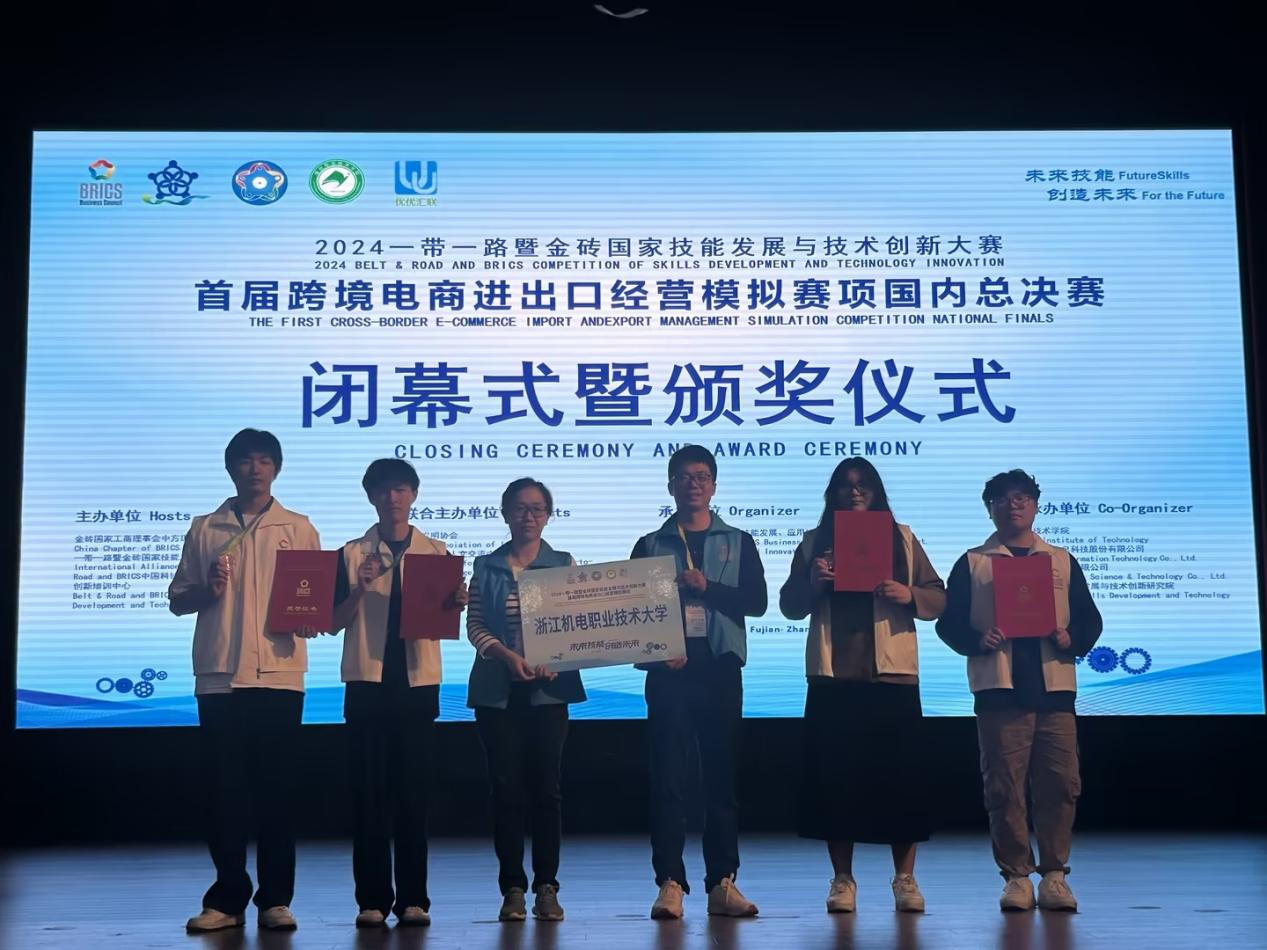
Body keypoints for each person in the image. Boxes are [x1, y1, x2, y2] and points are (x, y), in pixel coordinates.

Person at [168, 428, 321, 933]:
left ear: (276, 468)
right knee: (223, 792)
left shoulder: (298, 528)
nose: (254, 469)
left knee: (278, 791)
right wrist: (207, 591)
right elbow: (178, 599)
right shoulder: (205, 528)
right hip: (219, 675)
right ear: (230, 467)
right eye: (245, 461)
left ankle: (276, 899)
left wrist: (309, 619)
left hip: (279, 674)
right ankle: (227, 899)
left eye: (263, 461)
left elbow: (312, 601)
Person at [779, 458, 946, 913]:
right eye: (845, 485)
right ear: (832, 493)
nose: (854, 492)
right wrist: (813, 583)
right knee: (835, 783)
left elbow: (938, 597)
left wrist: (909, 594)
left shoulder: (903, 538)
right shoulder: (814, 542)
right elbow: (789, 606)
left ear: (876, 491)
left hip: (892, 676)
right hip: (833, 678)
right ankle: (842, 879)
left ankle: (905, 878)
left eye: (863, 485)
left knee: (902, 782)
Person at [935, 469, 1103, 912]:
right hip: (1000, 690)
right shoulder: (974, 562)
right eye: (1002, 499)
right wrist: (978, 640)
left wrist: (1071, 638)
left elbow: (1090, 619)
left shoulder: (1060, 560)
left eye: (1022, 497)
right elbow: (948, 624)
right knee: (1004, 788)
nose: (1013, 505)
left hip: (1054, 689)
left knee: (1061, 784)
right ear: (989, 509)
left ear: (1035, 505)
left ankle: (1054, 874)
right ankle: (1016, 876)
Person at [330, 458, 468, 928]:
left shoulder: (437, 552)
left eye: (401, 489)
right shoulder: (350, 554)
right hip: (366, 684)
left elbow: (442, 618)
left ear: (413, 495)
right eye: (384, 490)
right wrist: (360, 587)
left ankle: (414, 899)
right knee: (368, 796)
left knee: (414, 797)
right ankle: (371, 899)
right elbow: (332, 622)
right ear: (371, 497)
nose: (393, 498)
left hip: (417, 685)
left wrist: (456, 603)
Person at [631, 445, 767, 919]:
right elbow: (633, 614)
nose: (694, 484)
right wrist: (654, 653)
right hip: (668, 672)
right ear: (671, 486)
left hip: (719, 668)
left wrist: (709, 588)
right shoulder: (651, 544)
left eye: (702, 476)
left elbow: (757, 602)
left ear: (714, 485)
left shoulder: (738, 540)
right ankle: (670, 881)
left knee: (721, 779)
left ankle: (722, 882)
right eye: (685, 477)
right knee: (668, 779)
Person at [466, 477, 585, 922]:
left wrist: (559, 656)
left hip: (548, 693)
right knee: (506, 791)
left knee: (547, 791)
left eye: (537, 508)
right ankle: (512, 888)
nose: (528, 516)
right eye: (519, 508)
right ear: (505, 513)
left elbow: (576, 623)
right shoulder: (486, 566)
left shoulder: (563, 564)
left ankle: (547, 887)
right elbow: (475, 626)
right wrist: (506, 655)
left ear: (548, 515)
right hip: (498, 692)